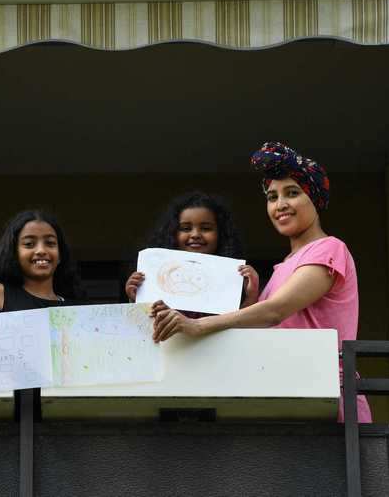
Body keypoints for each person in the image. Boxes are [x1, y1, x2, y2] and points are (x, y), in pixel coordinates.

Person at [152, 142, 372, 423]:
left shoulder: (329, 249)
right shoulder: (284, 266)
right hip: (291, 394)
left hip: (329, 402)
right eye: (272, 197)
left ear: (314, 199)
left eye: (292, 193)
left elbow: (275, 312)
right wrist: (252, 298)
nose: (280, 205)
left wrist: (195, 325)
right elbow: (268, 323)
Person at [124, 191, 259, 312]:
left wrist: (251, 296)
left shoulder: (235, 278)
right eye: (186, 228)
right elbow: (143, 326)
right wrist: (136, 297)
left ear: (221, 234)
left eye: (206, 228)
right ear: (173, 233)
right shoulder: (156, 276)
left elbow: (241, 325)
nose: (195, 234)